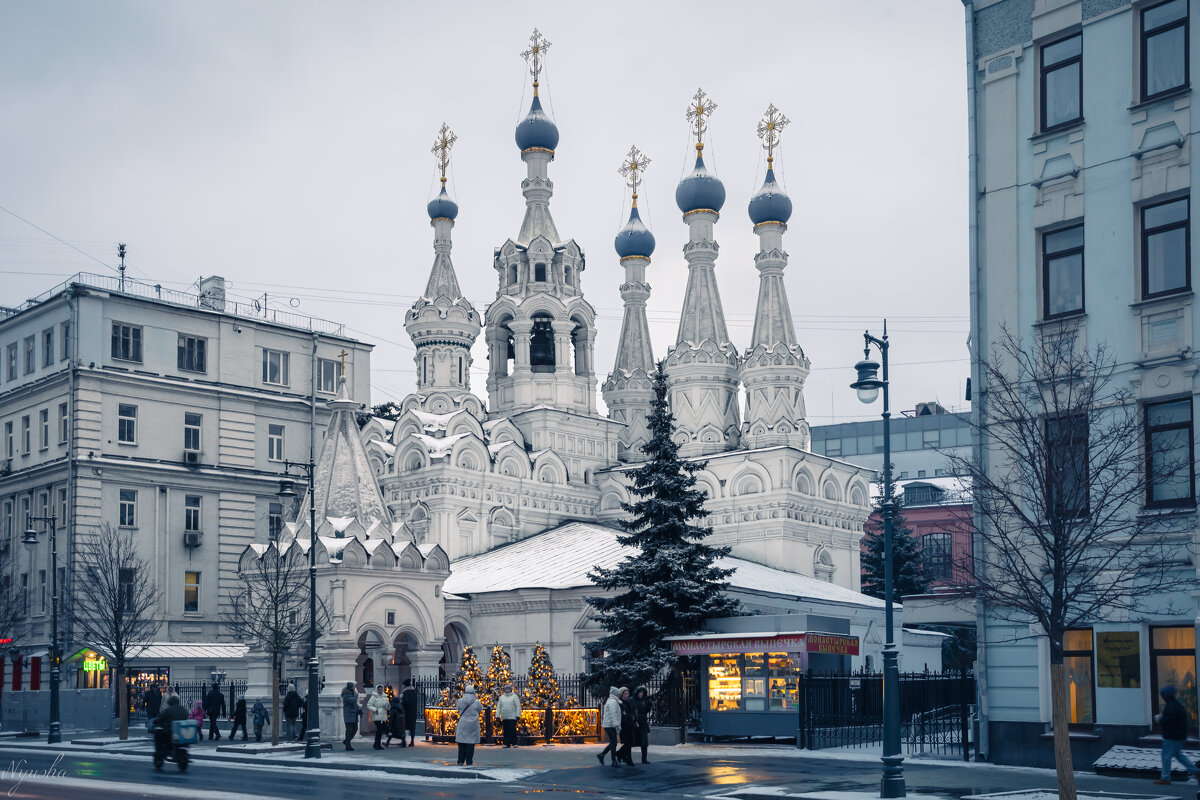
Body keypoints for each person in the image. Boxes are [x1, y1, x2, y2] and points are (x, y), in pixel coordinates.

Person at [1155, 685, 1200, 784]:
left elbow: (1169, 721)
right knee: (1179, 756)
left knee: (1166, 757)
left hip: (1171, 735)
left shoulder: (1170, 706)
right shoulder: (1177, 705)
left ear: (1166, 695)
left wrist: (1160, 719)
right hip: (1178, 735)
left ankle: (1165, 778)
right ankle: (1196, 772)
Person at [153, 695, 190, 760]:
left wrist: (156, 721)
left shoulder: (169, 710)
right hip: (182, 731)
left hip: (170, 731)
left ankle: (161, 751)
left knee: (159, 735)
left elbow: (161, 718)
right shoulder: (183, 709)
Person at [455, 684, 483, 766]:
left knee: (461, 743)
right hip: (473, 724)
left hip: (463, 723)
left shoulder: (460, 701)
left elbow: (457, 709)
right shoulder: (477, 702)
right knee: (470, 744)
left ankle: (460, 760)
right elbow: (480, 710)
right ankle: (469, 761)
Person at [597, 686, 621, 767]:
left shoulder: (612, 701)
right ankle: (613, 761)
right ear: (616, 694)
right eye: (618, 694)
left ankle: (602, 755)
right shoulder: (613, 702)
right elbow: (613, 714)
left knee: (613, 742)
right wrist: (616, 725)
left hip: (609, 724)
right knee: (613, 743)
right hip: (610, 725)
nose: (619, 695)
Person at [616, 687, 636, 765]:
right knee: (628, 742)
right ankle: (628, 759)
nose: (627, 695)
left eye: (628, 693)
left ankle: (621, 754)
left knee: (630, 742)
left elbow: (632, 711)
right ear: (621, 694)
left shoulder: (628, 702)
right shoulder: (620, 703)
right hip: (624, 725)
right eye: (625, 694)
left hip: (630, 724)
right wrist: (630, 716)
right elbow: (623, 715)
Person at [498, 683, 521, 748]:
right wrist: (497, 715)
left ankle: (515, 743)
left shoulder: (514, 697)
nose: (507, 690)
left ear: (511, 690)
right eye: (506, 689)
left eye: (509, 689)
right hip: (504, 716)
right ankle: (506, 743)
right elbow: (499, 707)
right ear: (505, 690)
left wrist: (518, 715)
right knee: (505, 731)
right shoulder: (501, 697)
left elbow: (518, 706)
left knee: (512, 730)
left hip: (512, 716)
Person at [632, 686, 651, 764]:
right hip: (636, 721)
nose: (641, 694)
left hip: (643, 722)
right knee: (632, 741)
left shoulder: (644, 700)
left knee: (644, 742)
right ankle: (625, 757)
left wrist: (649, 706)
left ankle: (644, 759)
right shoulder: (633, 700)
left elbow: (646, 710)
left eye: (642, 692)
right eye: (640, 692)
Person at [368, 684, 391, 750]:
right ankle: (377, 744)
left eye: (381, 689)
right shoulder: (374, 697)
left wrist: (388, 706)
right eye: (379, 689)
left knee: (380, 730)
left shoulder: (384, 696)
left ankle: (377, 744)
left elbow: (388, 705)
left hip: (383, 716)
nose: (380, 691)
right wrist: (376, 710)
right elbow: (369, 705)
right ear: (377, 689)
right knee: (379, 730)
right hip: (377, 716)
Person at [341, 681, 360, 750]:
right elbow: (353, 701)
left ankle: (346, 741)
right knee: (349, 730)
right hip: (348, 715)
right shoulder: (346, 695)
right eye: (353, 687)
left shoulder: (352, 694)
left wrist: (359, 709)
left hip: (354, 714)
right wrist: (356, 695)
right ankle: (348, 746)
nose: (354, 688)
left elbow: (355, 704)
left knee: (355, 729)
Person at [400, 678, 418, 747]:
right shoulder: (414, 691)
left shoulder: (406, 692)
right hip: (413, 712)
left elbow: (405, 702)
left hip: (406, 712)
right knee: (412, 727)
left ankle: (403, 741)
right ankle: (412, 741)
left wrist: (401, 704)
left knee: (403, 727)